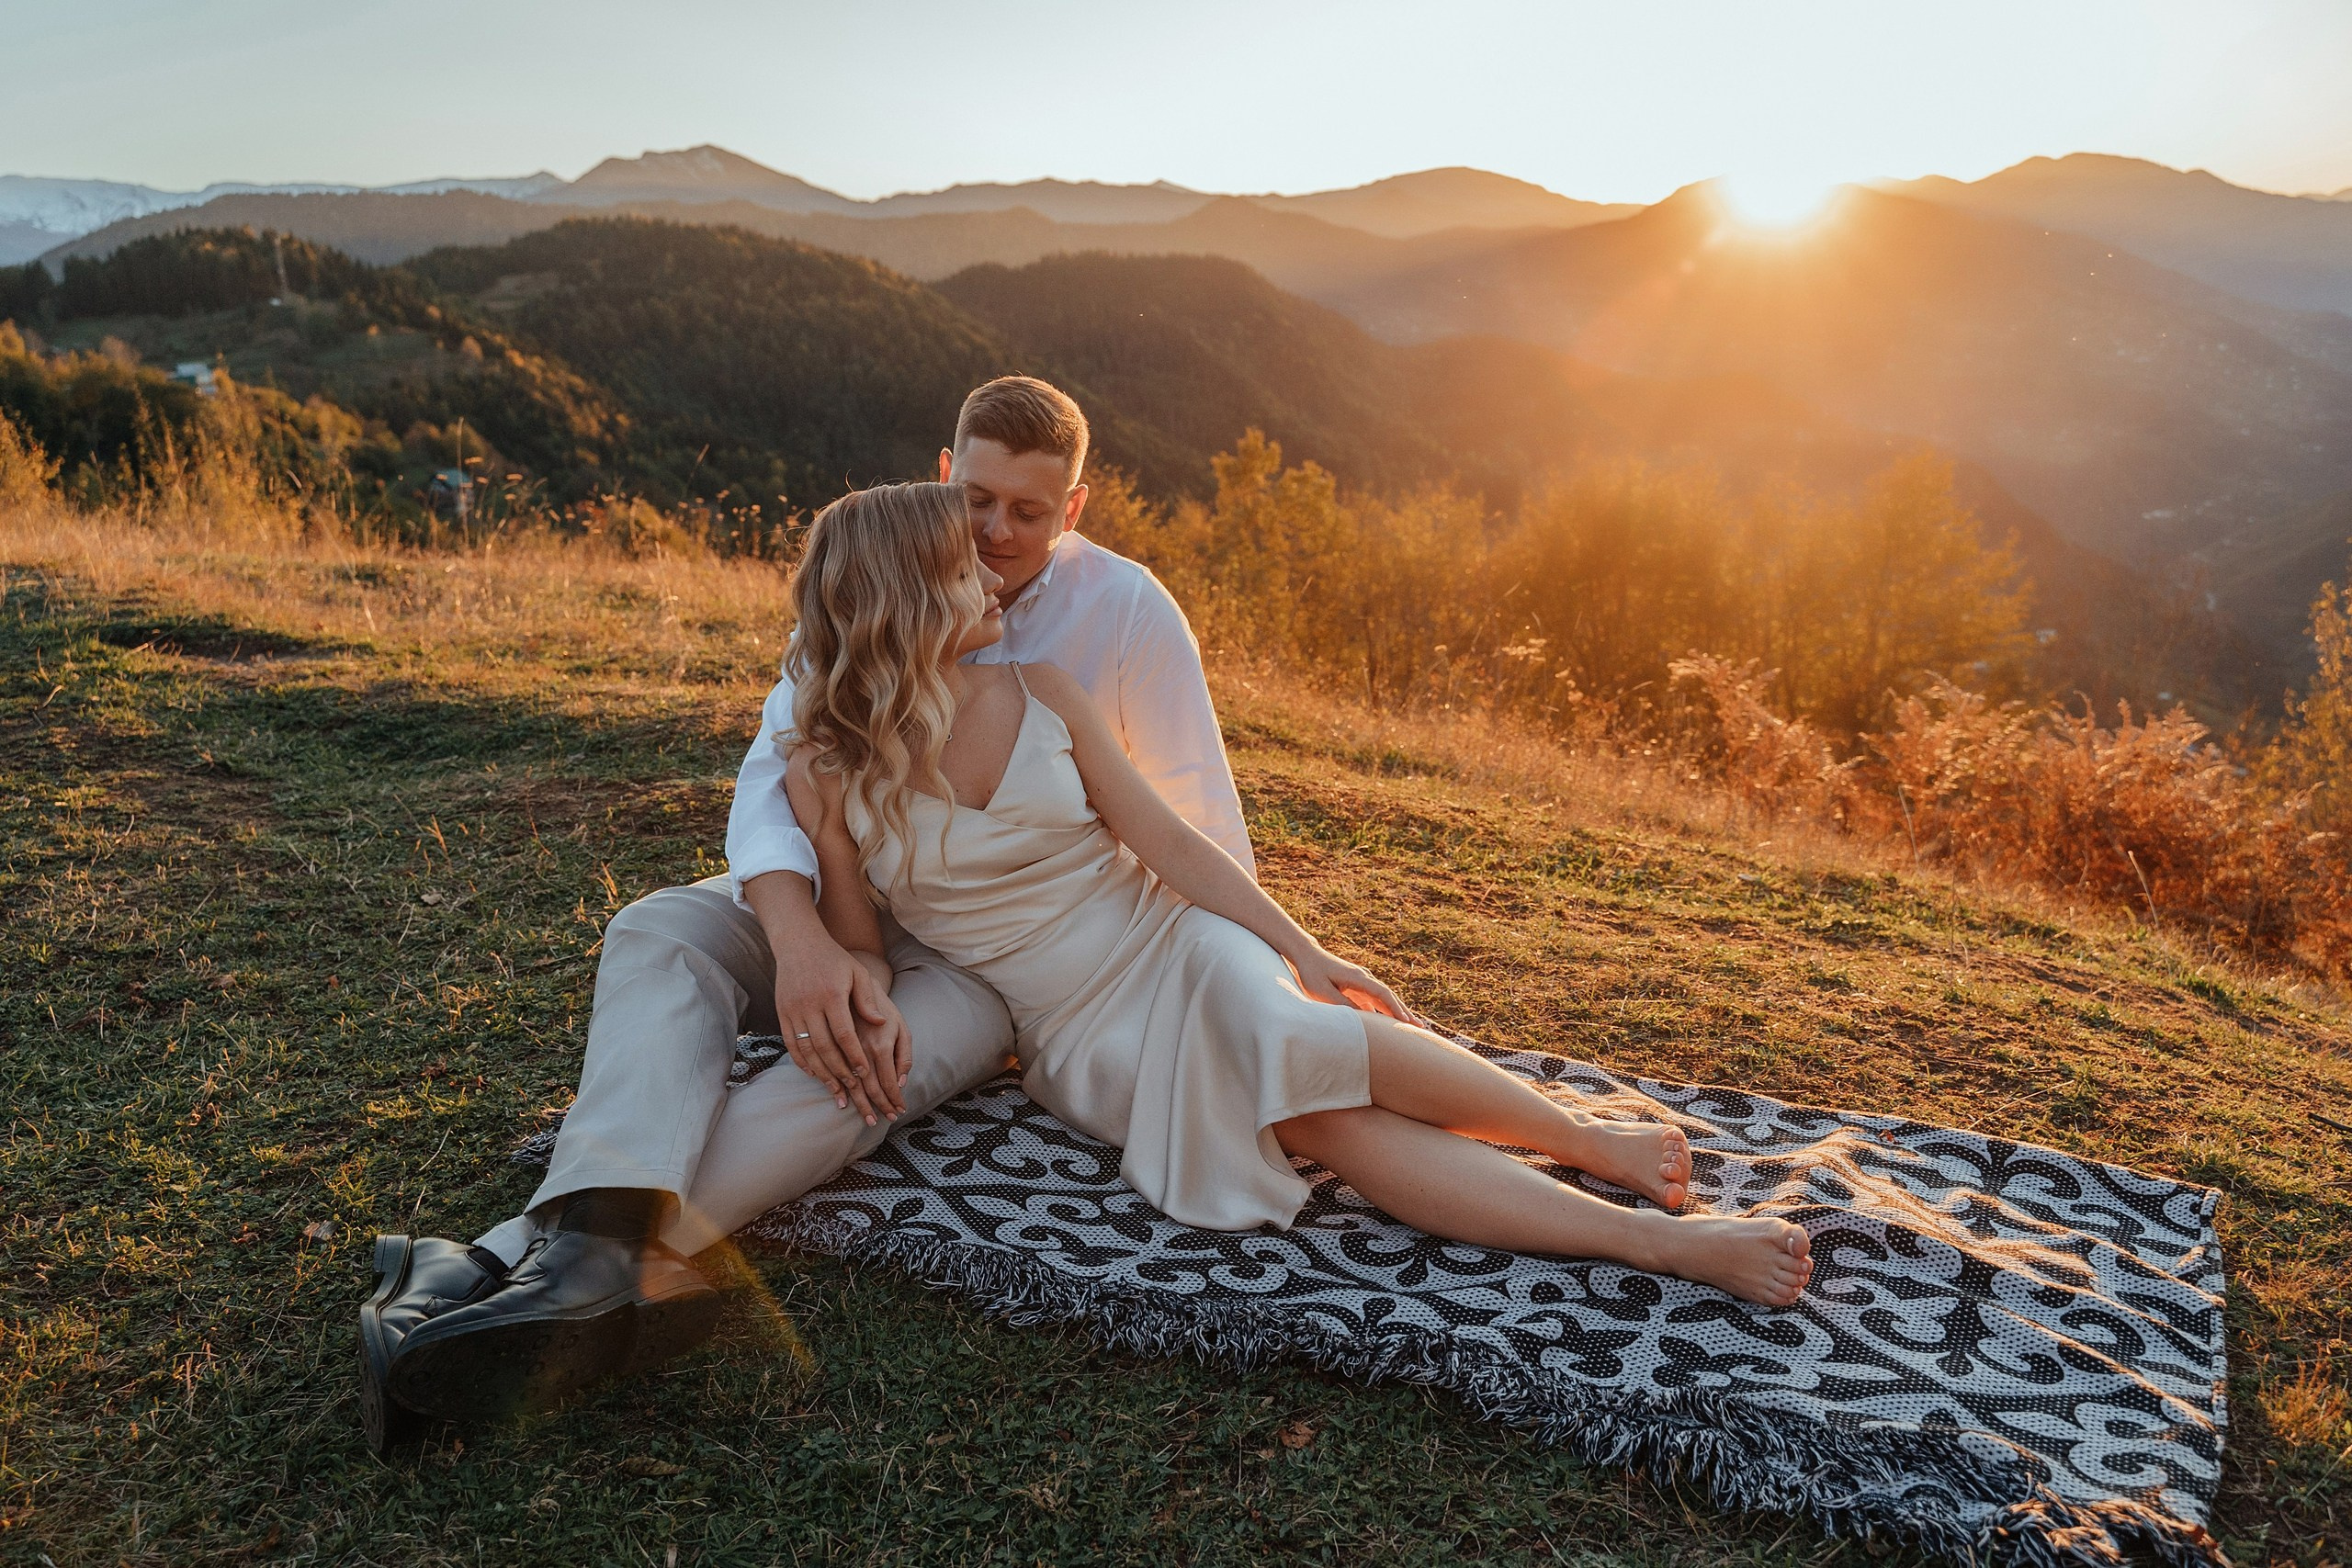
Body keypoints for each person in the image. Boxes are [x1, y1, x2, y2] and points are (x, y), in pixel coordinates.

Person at [361, 378, 1253, 1446]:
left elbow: (1191, 816)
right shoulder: (881, 559)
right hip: (838, 887)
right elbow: (771, 779)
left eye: (1029, 510)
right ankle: (593, 1266)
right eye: (977, 499)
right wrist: (799, 946)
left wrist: (1242, 989)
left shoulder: (1127, 614)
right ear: (942, 473)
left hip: (987, 950)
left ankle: (503, 1265)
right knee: (659, 930)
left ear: (1074, 508)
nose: (996, 531)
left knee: (859, 1067)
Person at [780, 481, 1816, 1305]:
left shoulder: (1046, 690)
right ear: (908, 595)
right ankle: (1661, 1246)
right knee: (1317, 1118)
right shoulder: (827, 766)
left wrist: (1302, 945)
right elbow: (860, 939)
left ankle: (1586, 1141)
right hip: (1075, 1025)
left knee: (1294, 1031)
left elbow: (1166, 843)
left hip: (1168, 938)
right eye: (963, 567)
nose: (992, 577)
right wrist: (827, 848)